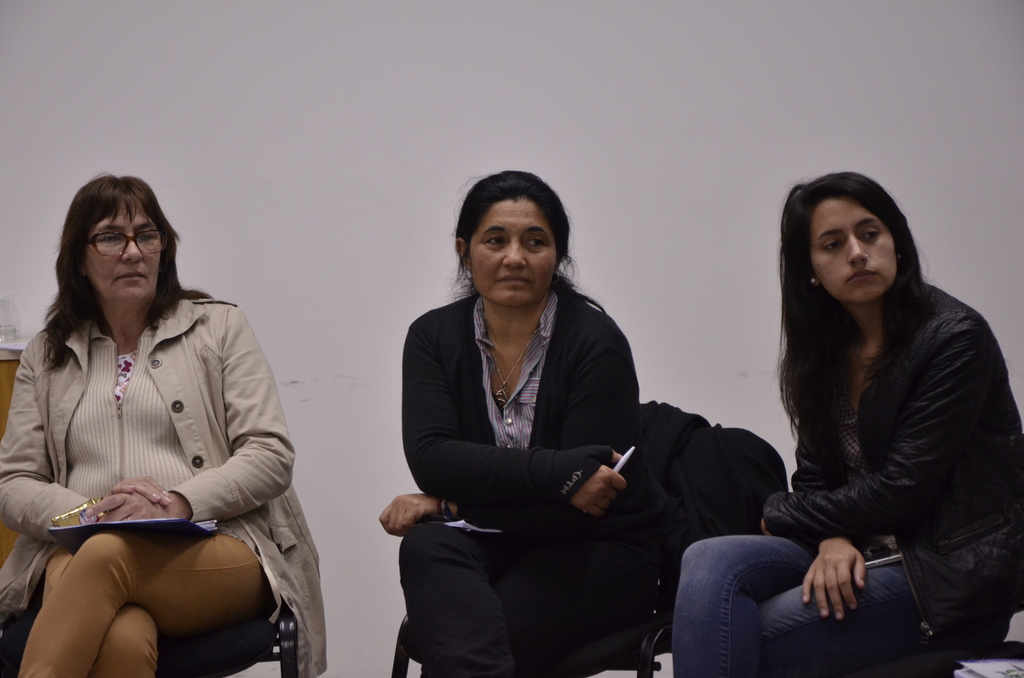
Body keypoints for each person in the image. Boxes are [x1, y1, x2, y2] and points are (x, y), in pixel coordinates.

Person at [672, 171, 1024, 677]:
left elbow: (901, 493)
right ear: (811, 271)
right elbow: (816, 479)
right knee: (709, 560)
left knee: (735, 634)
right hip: (858, 548)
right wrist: (832, 539)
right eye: (833, 244)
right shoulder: (827, 350)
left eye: (870, 234)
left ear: (897, 243)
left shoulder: (953, 338)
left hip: (947, 576)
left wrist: (780, 510)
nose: (857, 253)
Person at [0, 175, 327, 678]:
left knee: (107, 556)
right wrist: (92, 513)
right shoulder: (47, 354)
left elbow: (270, 454)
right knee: (123, 636)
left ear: (163, 249)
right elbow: (14, 482)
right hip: (79, 548)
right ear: (79, 259)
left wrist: (175, 502)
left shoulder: (219, 327)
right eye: (111, 237)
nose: (133, 252)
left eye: (147, 235)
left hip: (216, 546)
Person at [379, 170, 668, 677]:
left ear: (558, 256)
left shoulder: (596, 342)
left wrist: (449, 505)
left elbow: (583, 507)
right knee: (427, 545)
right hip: (490, 541)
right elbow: (433, 459)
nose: (515, 257)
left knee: (473, 642)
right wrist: (558, 473)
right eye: (496, 240)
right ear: (464, 251)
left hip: (597, 550)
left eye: (535, 242)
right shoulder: (432, 337)